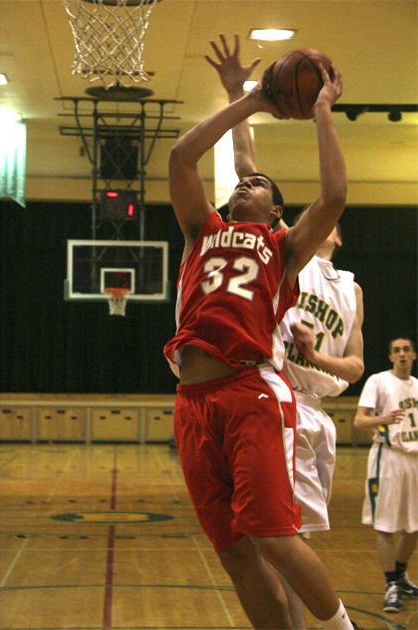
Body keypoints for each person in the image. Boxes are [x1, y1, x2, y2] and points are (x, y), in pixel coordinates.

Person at [163, 30, 360, 630]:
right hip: (192, 403)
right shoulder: (201, 229)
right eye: (242, 182)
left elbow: (335, 194)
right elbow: (181, 159)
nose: (246, 183)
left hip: (250, 394)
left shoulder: (283, 248)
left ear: (276, 210)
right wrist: (247, 99)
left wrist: (322, 112)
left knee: (273, 537)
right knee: (235, 554)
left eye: (258, 185)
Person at [354, 337, 418, 613]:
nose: (402, 354)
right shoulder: (378, 381)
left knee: (414, 525)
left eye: (406, 350)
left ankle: (401, 576)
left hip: (414, 459)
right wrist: (383, 419)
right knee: (386, 524)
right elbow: (359, 421)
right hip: (388, 458)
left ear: (413, 355)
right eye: (396, 351)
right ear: (390, 356)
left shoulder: (417, 386)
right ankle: (390, 584)